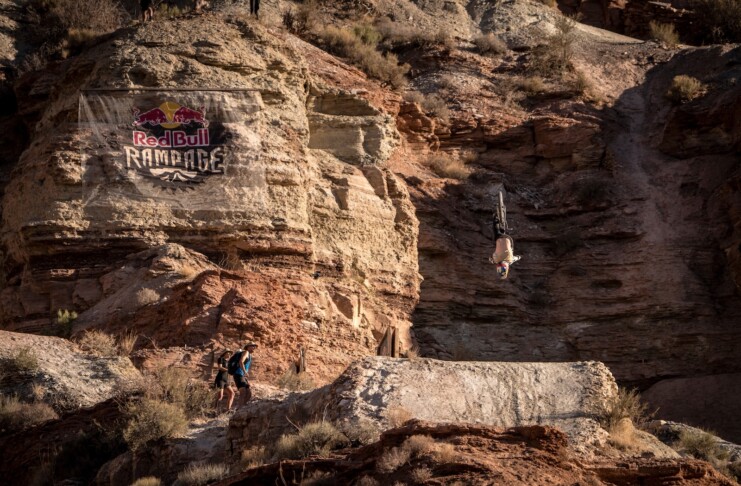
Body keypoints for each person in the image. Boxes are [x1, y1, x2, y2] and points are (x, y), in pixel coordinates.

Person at [489, 215, 521, 279]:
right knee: (496, 236)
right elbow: (490, 258)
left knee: (511, 248)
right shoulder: (495, 260)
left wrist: (519, 257)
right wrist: (492, 260)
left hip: (509, 238)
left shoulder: (510, 260)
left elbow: (517, 257)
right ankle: (495, 219)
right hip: (499, 237)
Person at [233, 342, 258, 406]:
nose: (254, 347)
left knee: (249, 393)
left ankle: (243, 407)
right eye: (252, 346)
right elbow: (241, 361)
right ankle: (240, 408)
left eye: (255, 346)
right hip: (238, 374)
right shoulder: (246, 352)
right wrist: (244, 371)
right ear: (248, 347)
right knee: (243, 392)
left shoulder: (249, 355)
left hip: (242, 375)